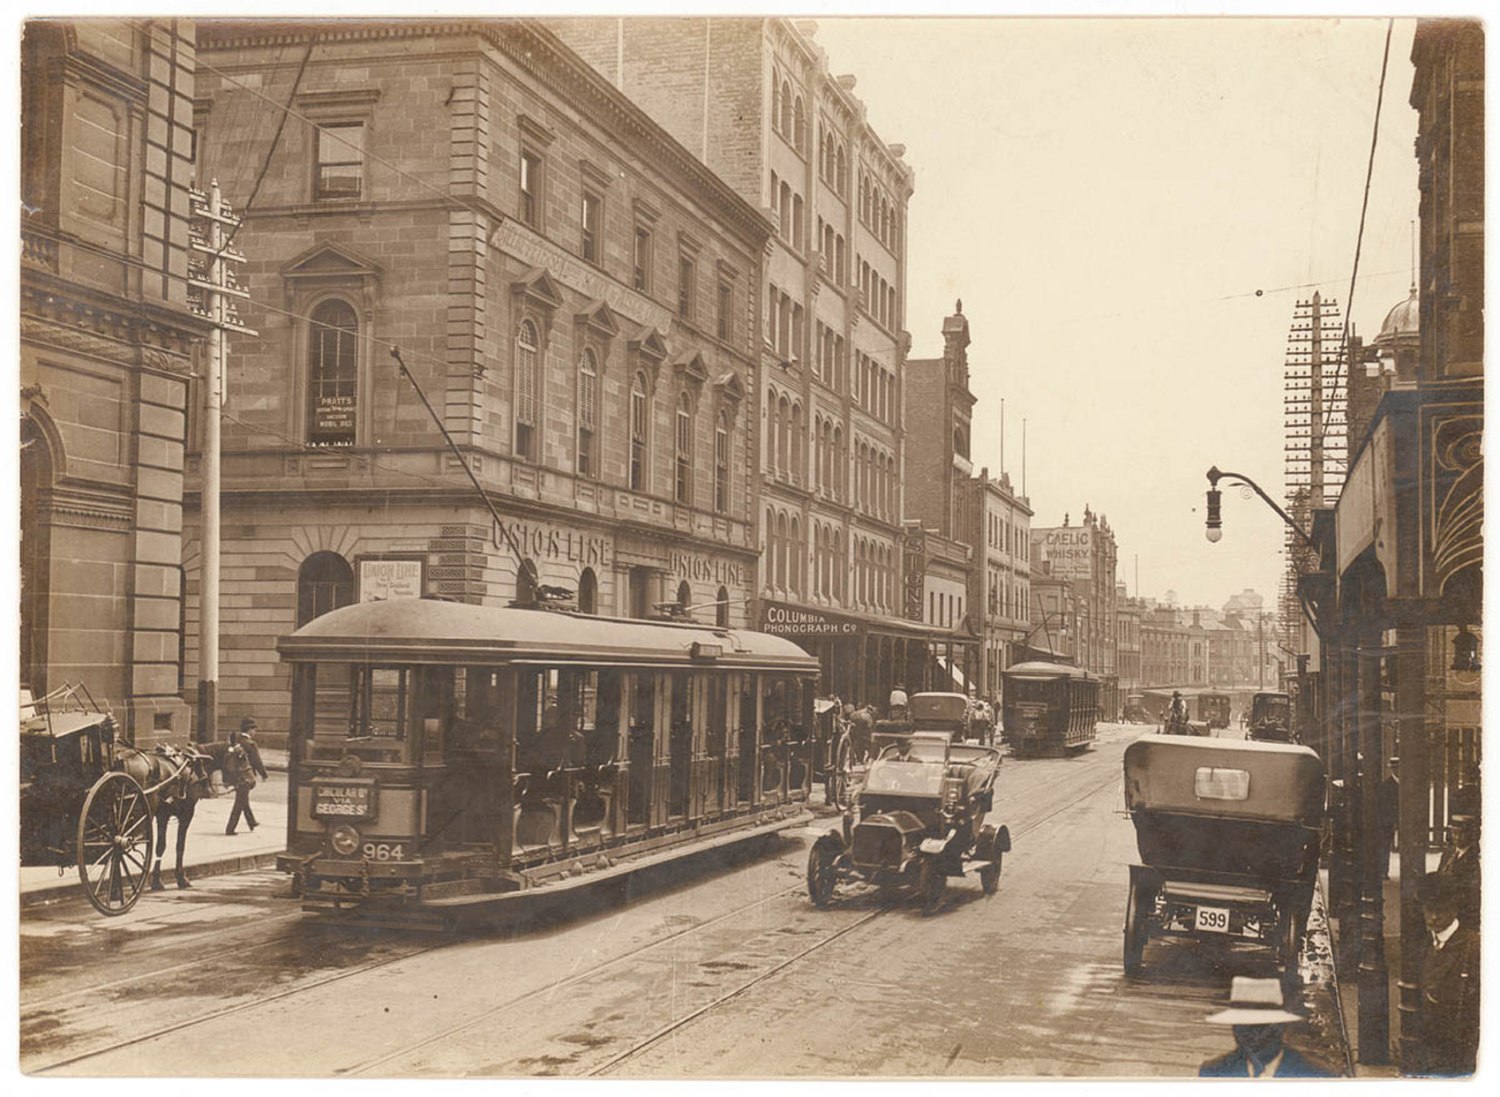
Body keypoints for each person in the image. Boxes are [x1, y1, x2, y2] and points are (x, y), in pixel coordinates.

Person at [1412, 872, 1480, 1076]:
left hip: (1458, 1047)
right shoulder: (1425, 942)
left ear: (1454, 909)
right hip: (1430, 1044)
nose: (1433, 917)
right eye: (1429, 910)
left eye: (1440, 911)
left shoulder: (1473, 947)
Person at [1198, 976, 1335, 1077]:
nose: (1251, 1037)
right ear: (1235, 1030)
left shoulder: (1315, 1074)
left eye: (1260, 1028)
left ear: (1281, 1028)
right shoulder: (1214, 1072)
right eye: (1242, 1027)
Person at [1436, 790, 1480, 931]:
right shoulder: (1448, 852)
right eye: (1454, 832)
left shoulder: (1475, 859)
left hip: (1461, 913)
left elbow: (1470, 894)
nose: (1456, 837)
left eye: (1461, 833)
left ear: (1472, 833)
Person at [224, 717, 269, 835]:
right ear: (249, 730)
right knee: (240, 802)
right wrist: (263, 774)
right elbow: (257, 761)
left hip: (234, 776)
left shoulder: (236, 741)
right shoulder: (251, 744)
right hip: (245, 776)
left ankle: (251, 821)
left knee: (243, 799)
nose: (255, 732)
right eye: (254, 730)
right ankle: (230, 828)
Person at [1376, 759, 1400, 879]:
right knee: (1384, 847)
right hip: (1388, 821)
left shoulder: (1407, 784)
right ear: (1392, 769)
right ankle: (1383, 871)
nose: (1397, 770)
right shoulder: (1385, 786)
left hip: (1403, 821)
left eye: (1399, 768)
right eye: (1395, 768)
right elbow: (1383, 806)